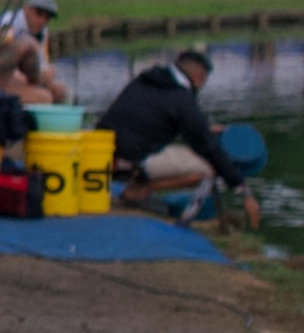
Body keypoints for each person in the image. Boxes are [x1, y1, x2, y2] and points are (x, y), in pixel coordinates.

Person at [99, 49, 261, 227]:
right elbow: (208, 148)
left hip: (102, 154)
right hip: (129, 161)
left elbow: (150, 120)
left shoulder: (145, 80)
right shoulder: (181, 99)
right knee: (210, 169)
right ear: (199, 78)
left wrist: (201, 128)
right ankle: (139, 192)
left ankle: (136, 188)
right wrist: (243, 190)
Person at [0, 0, 71, 104]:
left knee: (58, 92)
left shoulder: (42, 31)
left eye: (47, 18)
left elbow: (42, 60)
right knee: (27, 45)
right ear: (27, 9)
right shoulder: (8, 22)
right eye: (38, 14)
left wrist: (48, 74)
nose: (42, 21)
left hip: (22, 76)